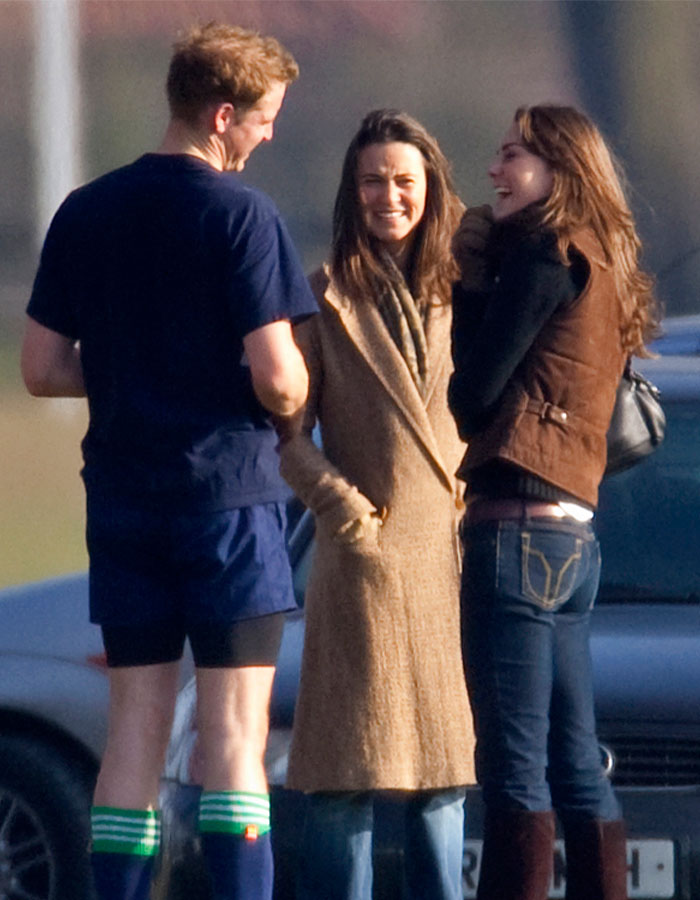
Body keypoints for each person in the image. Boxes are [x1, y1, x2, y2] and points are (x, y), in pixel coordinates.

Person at [21, 22, 317, 900]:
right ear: (223, 115)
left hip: (122, 503)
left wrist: (131, 375)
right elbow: (278, 377)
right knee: (233, 737)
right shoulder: (242, 216)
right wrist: (298, 390)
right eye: (264, 118)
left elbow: (41, 369)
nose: (270, 135)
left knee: (134, 732)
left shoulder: (85, 211)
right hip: (228, 504)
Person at [448, 104, 660, 900]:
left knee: (514, 770)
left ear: (558, 170)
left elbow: (472, 395)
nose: (495, 171)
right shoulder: (601, 260)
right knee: (576, 763)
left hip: (515, 533)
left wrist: (471, 282)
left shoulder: (542, 256)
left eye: (512, 155)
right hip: (574, 539)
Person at [278, 109, 475, 900]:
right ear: (350, 191)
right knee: (345, 778)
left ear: (432, 188)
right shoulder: (321, 298)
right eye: (371, 181)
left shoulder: (469, 289)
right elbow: (287, 436)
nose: (388, 196)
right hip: (361, 570)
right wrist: (345, 512)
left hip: (447, 565)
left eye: (403, 180)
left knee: (442, 782)